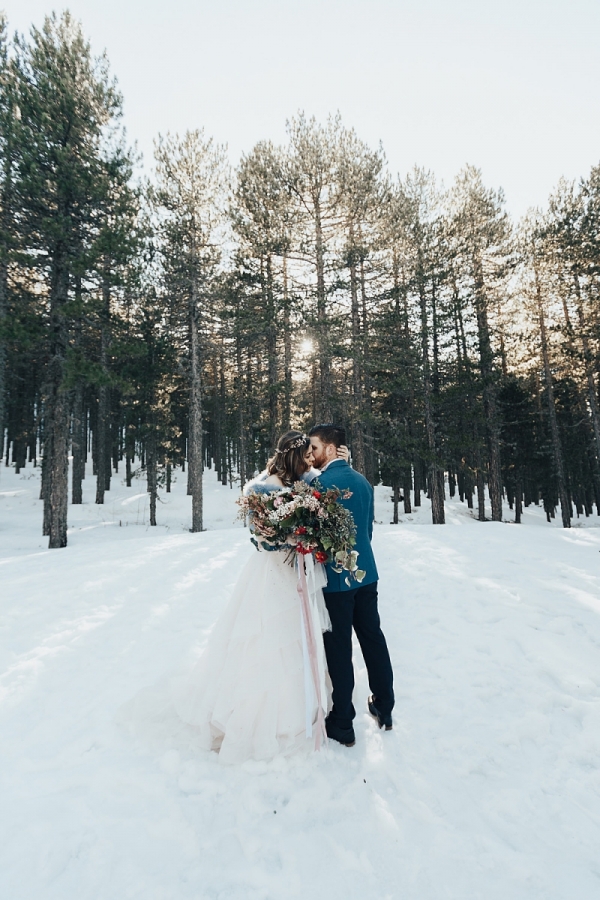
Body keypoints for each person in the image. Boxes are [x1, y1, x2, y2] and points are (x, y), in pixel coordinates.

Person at [167, 430, 343, 764]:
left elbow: (323, 488)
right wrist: (286, 537)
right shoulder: (262, 489)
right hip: (271, 573)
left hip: (298, 570)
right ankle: (262, 719)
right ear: (293, 455)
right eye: (306, 455)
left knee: (298, 638)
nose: (310, 460)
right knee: (266, 639)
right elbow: (260, 539)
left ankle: (303, 705)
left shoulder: (304, 480)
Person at [308, 424, 395, 748]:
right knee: (373, 638)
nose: (311, 454)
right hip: (366, 575)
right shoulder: (362, 481)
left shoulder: (319, 485)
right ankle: (385, 707)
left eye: (315, 447)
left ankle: (343, 722)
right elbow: (367, 531)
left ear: (330, 449)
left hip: (336, 581)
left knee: (339, 648)